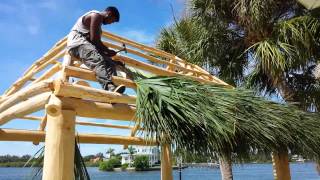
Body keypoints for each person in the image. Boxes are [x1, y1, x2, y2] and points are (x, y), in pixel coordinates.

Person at [67, 7, 125, 93]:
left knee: (110, 64)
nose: (110, 23)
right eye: (112, 21)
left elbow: (95, 46)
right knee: (98, 60)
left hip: (86, 46)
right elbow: (95, 40)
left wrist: (112, 60)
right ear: (109, 13)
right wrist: (108, 50)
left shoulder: (98, 27)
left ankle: (115, 89)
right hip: (77, 44)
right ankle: (109, 87)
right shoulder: (96, 15)